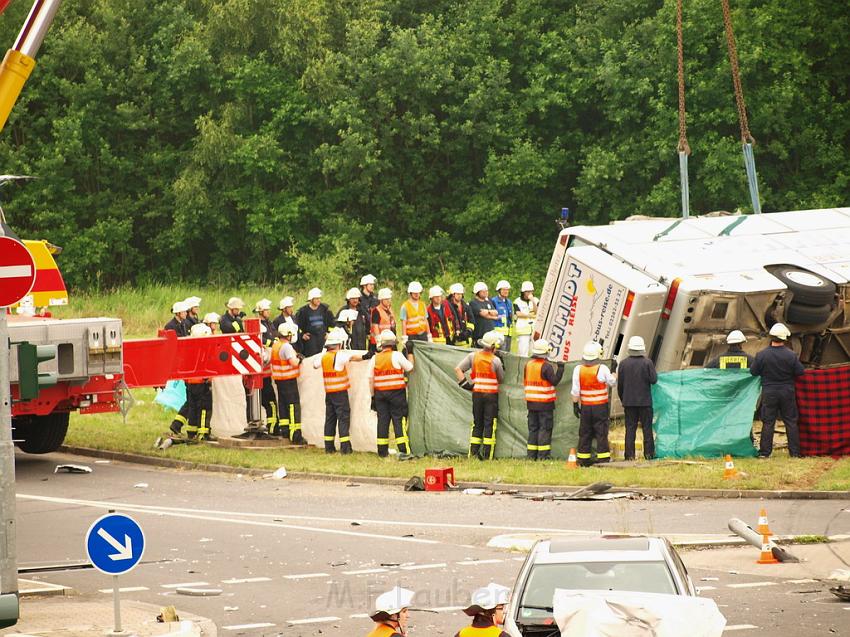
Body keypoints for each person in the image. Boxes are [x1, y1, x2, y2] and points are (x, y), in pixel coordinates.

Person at [313, 327, 372, 454]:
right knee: (343, 418)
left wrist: (324, 350)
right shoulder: (339, 356)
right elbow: (352, 357)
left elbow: (315, 364)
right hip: (340, 393)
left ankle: (329, 447)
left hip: (329, 393)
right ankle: (345, 448)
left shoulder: (324, 357)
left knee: (330, 419)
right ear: (339, 344)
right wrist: (366, 356)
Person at [751, 323, 804, 458]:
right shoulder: (791, 355)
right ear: (784, 339)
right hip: (787, 391)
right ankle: (795, 453)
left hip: (769, 392)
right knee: (790, 422)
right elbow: (800, 372)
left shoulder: (761, 355)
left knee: (768, 422)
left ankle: (765, 453)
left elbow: (753, 372)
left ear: (771, 337)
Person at [455, 331, 505, 460]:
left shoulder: (473, 356)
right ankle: (487, 455)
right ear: (494, 347)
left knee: (477, 423)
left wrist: (465, 384)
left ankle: (473, 453)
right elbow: (501, 379)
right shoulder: (496, 360)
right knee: (489, 424)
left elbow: (458, 369)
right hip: (491, 396)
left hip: (476, 394)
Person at [571, 341, 617, 466]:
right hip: (600, 407)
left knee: (585, 432)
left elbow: (575, 390)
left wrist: (575, 405)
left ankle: (583, 459)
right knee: (601, 432)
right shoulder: (602, 368)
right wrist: (614, 374)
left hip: (585, 407)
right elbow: (612, 383)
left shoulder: (578, 369)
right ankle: (603, 459)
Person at [369, 329, 413, 457]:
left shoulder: (375, 358)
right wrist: (410, 352)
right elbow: (410, 368)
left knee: (382, 422)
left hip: (380, 395)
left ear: (381, 344)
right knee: (398, 421)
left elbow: (370, 379)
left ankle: (382, 452)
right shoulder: (397, 355)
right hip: (396, 394)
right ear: (394, 343)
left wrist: (372, 396)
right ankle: (404, 450)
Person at [616, 336, 657, 460]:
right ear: (642, 349)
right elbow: (654, 380)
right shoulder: (647, 363)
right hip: (645, 402)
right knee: (647, 429)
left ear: (630, 348)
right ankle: (649, 454)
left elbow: (620, 386)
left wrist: (624, 400)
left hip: (629, 402)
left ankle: (629, 456)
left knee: (630, 429)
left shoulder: (623, 364)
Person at [524, 339, 564, 460]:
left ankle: (531, 456)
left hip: (531, 403)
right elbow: (555, 381)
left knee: (533, 429)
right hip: (545, 404)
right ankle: (543, 456)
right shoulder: (546, 367)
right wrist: (561, 368)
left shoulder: (528, 365)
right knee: (544, 429)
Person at [270, 323, 303, 443]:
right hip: (289, 380)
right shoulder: (286, 347)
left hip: (279, 380)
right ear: (288, 334)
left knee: (283, 406)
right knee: (293, 406)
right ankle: (295, 435)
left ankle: (285, 431)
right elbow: (293, 362)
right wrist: (299, 359)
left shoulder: (275, 345)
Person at [183, 322, 214, 441]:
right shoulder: (204, 350)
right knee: (204, 408)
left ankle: (191, 432)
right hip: (202, 384)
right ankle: (203, 433)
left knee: (193, 408)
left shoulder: (190, 349)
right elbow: (207, 367)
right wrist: (209, 380)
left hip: (191, 384)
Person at [254, 298, 278, 432]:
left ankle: (272, 426)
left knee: (268, 404)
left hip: (262, 379)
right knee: (271, 404)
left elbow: (273, 336)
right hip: (264, 379)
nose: (269, 312)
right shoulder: (259, 349)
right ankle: (273, 427)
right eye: (266, 310)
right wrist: (271, 343)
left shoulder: (268, 324)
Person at [295, 288, 335, 357]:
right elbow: (297, 326)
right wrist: (302, 335)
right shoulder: (303, 312)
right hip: (310, 342)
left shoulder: (325, 309)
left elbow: (332, 323)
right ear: (311, 299)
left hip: (323, 339)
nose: (319, 300)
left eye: (319, 298)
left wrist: (329, 333)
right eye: (316, 298)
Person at [400, 281, 430, 355]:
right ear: (410, 293)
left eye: (418, 292)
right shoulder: (405, 306)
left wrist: (429, 335)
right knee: (412, 355)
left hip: (423, 335)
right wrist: (404, 338)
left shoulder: (422, 305)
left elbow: (426, 321)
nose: (417, 294)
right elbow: (404, 323)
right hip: (412, 336)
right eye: (415, 293)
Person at [514, 281, 538, 357]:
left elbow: (537, 311)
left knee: (534, 351)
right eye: (527, 291)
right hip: (523, 330)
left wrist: (533, 301)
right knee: (523, 352)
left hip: (534, 329)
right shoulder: (517, 301)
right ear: (523, 292)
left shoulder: (536, 300)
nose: (529, 293)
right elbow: (518, 314)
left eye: (531, 291)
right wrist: (529, 315)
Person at [491, 280, 514, 352]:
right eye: (504, 290)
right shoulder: (494, 301)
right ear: (499, 290)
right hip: (498, 333)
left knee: (507, 354)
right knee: (499, 353)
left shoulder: (509, 302)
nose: (506, 291)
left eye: (507, 290)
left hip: (508, 333)